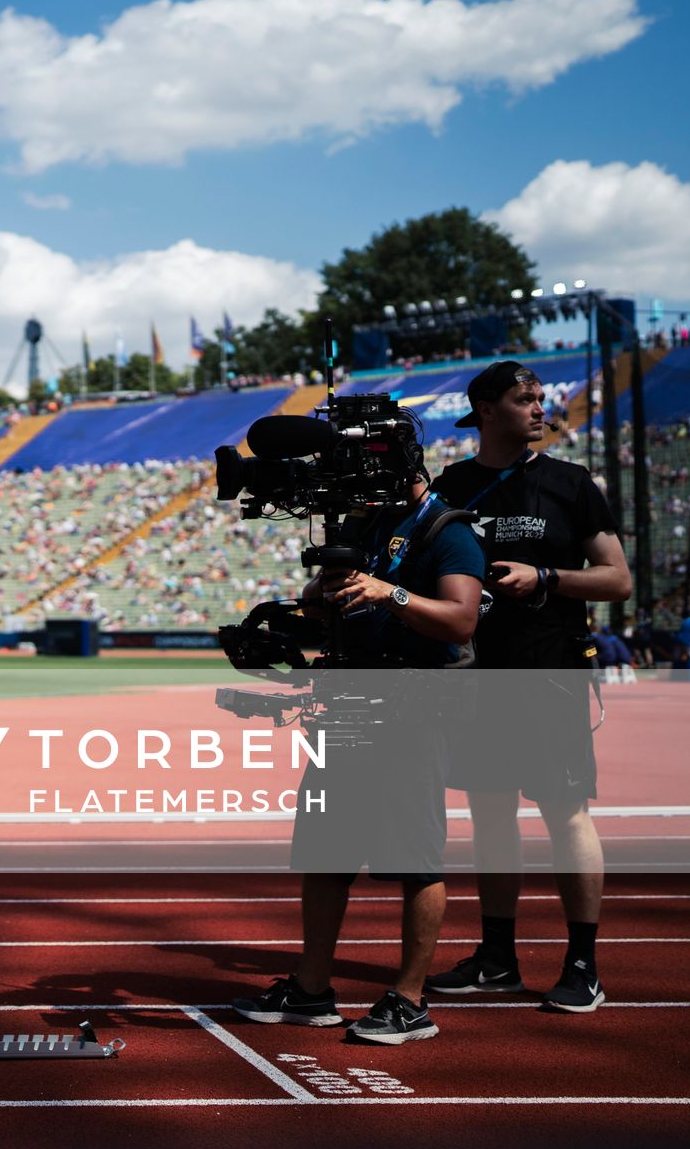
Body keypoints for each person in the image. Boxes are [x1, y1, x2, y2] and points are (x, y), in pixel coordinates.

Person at [232, 432, 484, 1045]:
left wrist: (388, 592)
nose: (356, 490)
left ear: (402, 468)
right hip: (346, 702)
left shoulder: (447, 528)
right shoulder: (367, 525)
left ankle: (409, 1000)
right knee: (324, 849)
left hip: (416, 703)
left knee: (414, 856)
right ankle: (312, 988)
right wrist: (315, 602)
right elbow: (338, 606)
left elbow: (462, 618)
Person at [426, 360, 632, 1013]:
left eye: (542, 398)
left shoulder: (572, 484)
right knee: (489, 812)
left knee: (563, 809)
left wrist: (547, 579)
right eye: (525, 399)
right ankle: (497, 959)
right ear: (485, 409)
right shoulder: (452, 486)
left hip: (551, 673)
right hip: (475, 675)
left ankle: (583, 963)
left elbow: (618, 578)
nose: (541, 408)